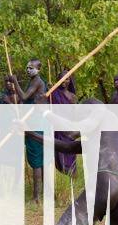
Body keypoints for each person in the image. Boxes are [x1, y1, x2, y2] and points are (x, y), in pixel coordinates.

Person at [11, 60, 47, 203]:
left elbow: (25, 97)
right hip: (31, 120)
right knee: (37, 158)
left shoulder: (37, 81)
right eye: (27, 67)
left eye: (31, 68)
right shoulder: (33, 81)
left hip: (36, 122)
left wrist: (15, 82)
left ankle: (36, 197)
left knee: (36, 159)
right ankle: (41, 194)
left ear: (38, 69)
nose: (28, 70)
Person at [49, 70, 78, 177]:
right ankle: (62, 179)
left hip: (69, 130)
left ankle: (72, 178)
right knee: (59, 154)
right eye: (61, 79)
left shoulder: (72, 97)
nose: (63, 81)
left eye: (66, 78)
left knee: (70, 155)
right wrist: (50, 90)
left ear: (69, 80)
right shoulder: (53, 93)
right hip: (58, 129)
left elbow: (75, 115)